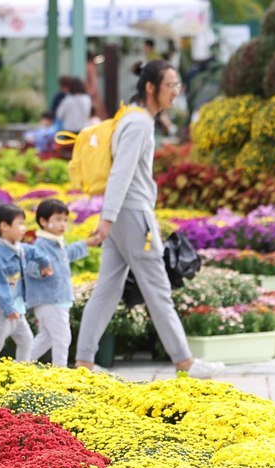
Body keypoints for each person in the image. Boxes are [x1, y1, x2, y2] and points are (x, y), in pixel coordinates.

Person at [78, 61, 223, 379]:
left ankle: (84, 363)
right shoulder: (139, 123)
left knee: (108, 288)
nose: (176, 91)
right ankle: (184, 361)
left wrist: (110, 219)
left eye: (177, 85)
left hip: (125, 214)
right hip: (131, 214)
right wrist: (107, 220)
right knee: (157, 287)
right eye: (170, 85)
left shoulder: (129, 117)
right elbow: (121, 173)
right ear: (151, 88)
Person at [24, 198, 90, 366]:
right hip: (50, 300)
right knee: (62, 337)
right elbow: (30, 266)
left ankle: (19, 364)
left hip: (57, 298)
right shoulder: (41, 244)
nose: (63, 224)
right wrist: (42, 270)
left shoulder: (55, 243)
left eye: (65, 220)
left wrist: (86, 244)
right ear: (43, 221)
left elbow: (67, 254)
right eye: (58, 219)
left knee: (46, 338)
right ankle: (59, 372)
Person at [0, 204, 34, 363]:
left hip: (15, 306)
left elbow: (33, 252)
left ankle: (21, 372)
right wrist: (8, 308)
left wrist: (44, 262)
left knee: (27, 340)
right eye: (20, 224)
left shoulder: (17, 249)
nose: (24, 228)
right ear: (4, 226)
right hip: (0, 310)